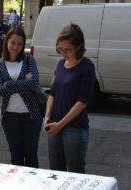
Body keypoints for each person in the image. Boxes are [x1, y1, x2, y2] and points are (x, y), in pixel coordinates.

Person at [43, 23, 96, 174]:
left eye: (68, 50)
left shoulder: (87, 66)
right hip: (54, 124)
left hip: (74, 128)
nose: (64, 53)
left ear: (79, 46)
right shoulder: (60, 64)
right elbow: (52, 93)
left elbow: (82, 102)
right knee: (55, 173)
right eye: (60, 49)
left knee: (75, 173)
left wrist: (61, 124)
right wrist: (47, 118)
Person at [0, 27, 42, 167]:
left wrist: (8, 83)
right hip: (10, 116)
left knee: (31, 156)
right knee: (16, 157)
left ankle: (32, 186)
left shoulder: (28, 60)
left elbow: (34, 83)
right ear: (7, 41)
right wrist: (24, 81)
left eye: (19, 44)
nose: (15, 47)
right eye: (12, 43)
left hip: (31, 115)